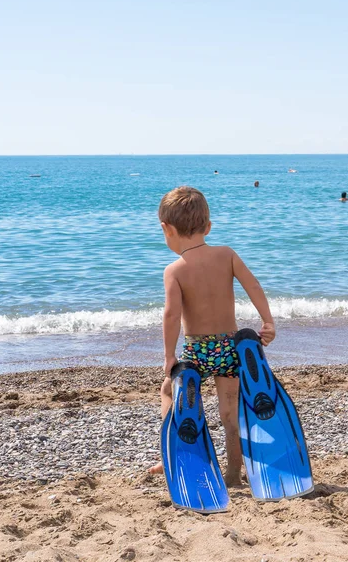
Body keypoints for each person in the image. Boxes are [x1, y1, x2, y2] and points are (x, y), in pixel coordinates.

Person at [149, 186, 275, 485]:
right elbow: (253, 286)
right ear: (208, 226)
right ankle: (233, 473)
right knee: (229, 411)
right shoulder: (227, 255)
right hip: (231, 347)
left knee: (169, 392)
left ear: (166, 229)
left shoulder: (174, 270)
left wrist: (169, 355)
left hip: (197, 351)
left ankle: (173, 453)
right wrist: (267, 321)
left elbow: (172, 315)